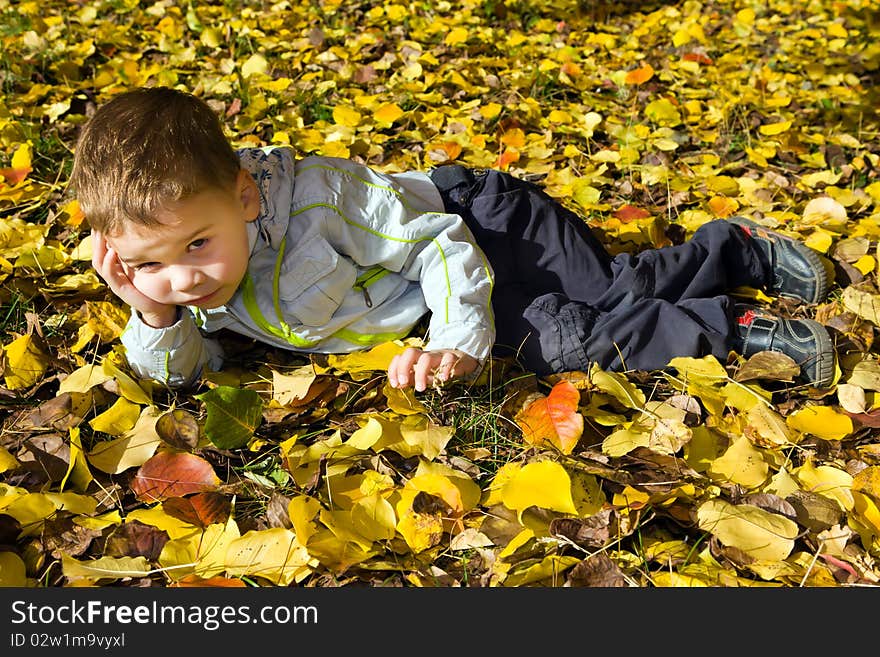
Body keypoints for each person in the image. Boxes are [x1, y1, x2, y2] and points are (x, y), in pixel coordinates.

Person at [68, 86, 835, 392]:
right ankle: (730, 329)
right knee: (561, 338)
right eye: (147, 264)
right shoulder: (178, 286)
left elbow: (437, 245)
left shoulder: (318, 205)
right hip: (432, 298)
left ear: (242, 195)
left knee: (606, 290)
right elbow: (189, 371)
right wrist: (153, 318)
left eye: (196, 246)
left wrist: (463, 340)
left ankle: (735, 250)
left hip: (480, 223)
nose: (183, 278)